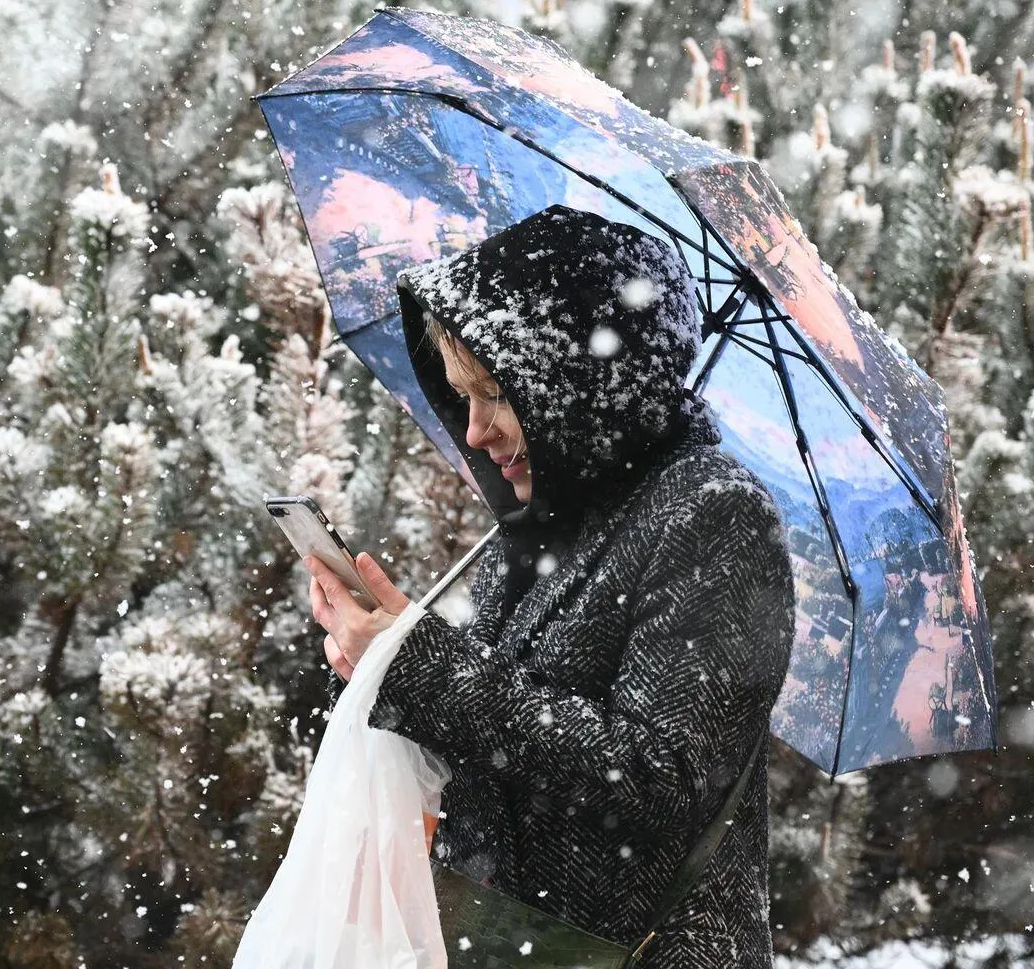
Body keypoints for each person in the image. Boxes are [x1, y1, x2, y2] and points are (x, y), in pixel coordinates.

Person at [305, 203, 797, 968]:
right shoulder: (543, 517)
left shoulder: (714, 515)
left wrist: (420, 665)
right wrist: (378, 661)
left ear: (576, 379)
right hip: (499, 944)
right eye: (463, 396)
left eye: (497, 393)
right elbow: (499, 741)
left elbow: (656, 782)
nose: (474, 432)